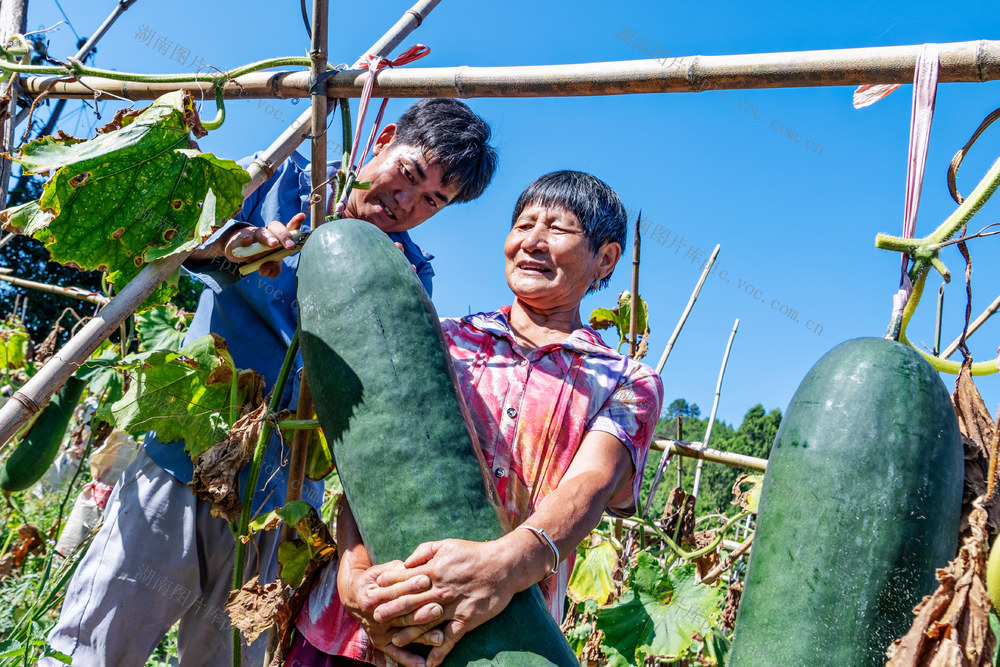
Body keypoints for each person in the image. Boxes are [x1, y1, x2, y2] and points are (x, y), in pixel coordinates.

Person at [42, 99, 498, 667]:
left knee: (225, 659)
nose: (406, 202)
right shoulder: (284, 177)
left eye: (433, 199)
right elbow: (183, 238)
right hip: (190, 454)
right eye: (408, 174)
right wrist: (243, 245)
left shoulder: (406, 269)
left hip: (283, 501)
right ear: (382, 138)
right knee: (96, 648)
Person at [287, 170, 664, 667]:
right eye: (523, 224)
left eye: (558, 228)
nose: (533, 241)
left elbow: (592, 483)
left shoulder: (625, 380)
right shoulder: (442, 337)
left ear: (606, 258)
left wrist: (501, 567)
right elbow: (373, 461)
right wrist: (354, 574)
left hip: (496, 639)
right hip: (358, 626)